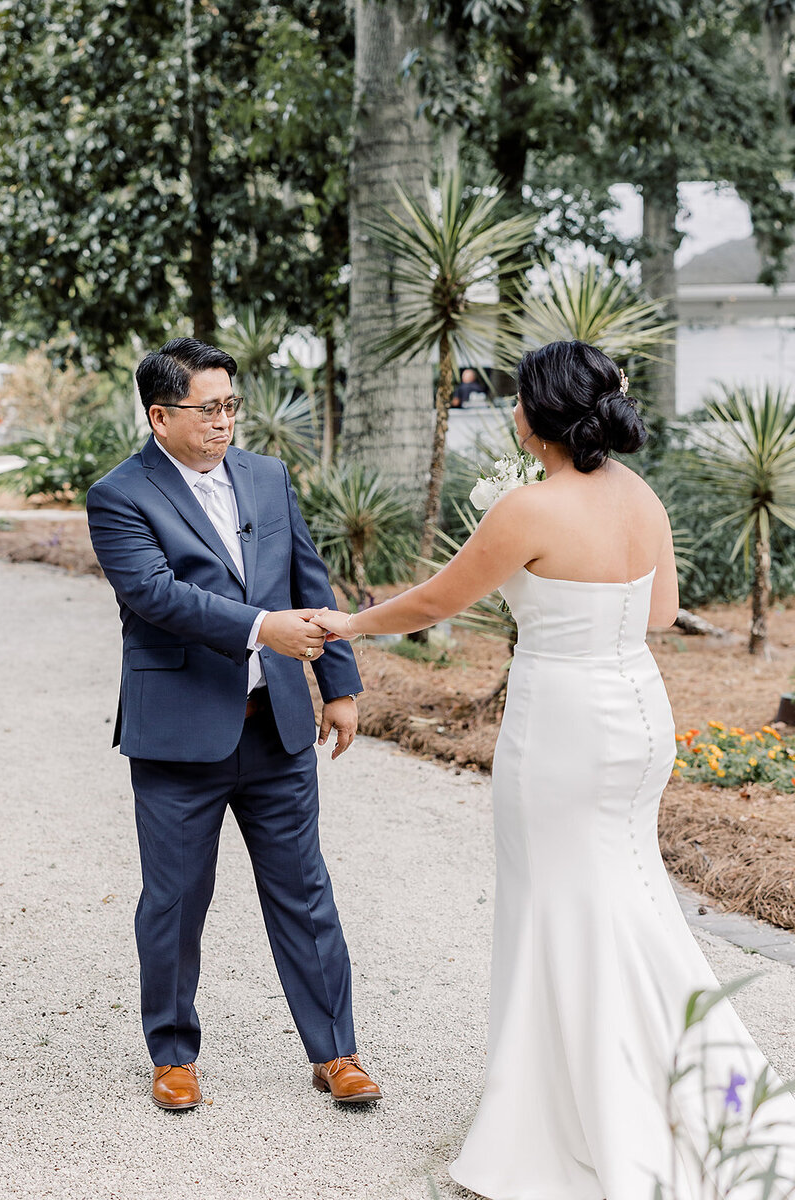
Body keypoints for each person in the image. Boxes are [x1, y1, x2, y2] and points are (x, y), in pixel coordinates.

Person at [314, 340, 795, 1199]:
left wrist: (346, 626)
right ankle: (703, 1088)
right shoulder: (640, 497)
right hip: (638, 716)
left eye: (517, 401)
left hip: (562, 723)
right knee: (627, 894)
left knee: (555, 906)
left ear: (537, 418)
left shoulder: (526, 511)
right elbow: (663, 610)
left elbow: (436, 602)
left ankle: (565, 1119)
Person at [86, 337, 381, 1110]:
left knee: (304, 890)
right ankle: (173, 1054)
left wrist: (338, 684)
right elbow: (155, 596)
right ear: (159, 414)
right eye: (207, 408)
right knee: (176, 900)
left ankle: (336, 1052)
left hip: (276, 725)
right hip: (179, 734)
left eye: (230, 406)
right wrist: (261, 629)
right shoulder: (118, 495)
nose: (224, 422)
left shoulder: (267, 476)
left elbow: (308, 576)